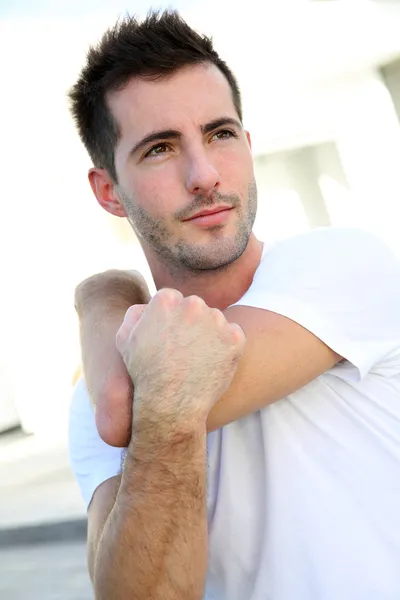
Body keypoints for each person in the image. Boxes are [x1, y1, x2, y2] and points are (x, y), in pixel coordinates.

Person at [68, 10, 400, 600]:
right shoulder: (90, 397)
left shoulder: (344, 266)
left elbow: (129, 404)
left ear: (246, 146)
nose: (204, 174)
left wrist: (100, 298)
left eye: (220, 134)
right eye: (160, 148)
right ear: (108, 192)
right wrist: (102, 299)